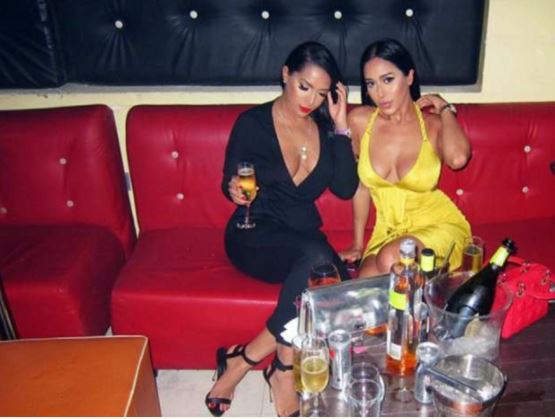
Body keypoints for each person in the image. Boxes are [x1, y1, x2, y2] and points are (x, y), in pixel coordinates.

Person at [205, 42, 358, 417]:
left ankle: (247, 359)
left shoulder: (325, 128)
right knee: (318, 265)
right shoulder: (252, 123)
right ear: (285, 74)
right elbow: (230, 180)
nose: (311, 100)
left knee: (329, 278)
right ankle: (279, 371)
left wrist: (341, 125)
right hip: (253, 231)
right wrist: (232, 189)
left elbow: (345, 188)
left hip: (302, 237)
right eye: (304, 86)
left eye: (321, 92)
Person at [339, 38, 471, 277]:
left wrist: (444, 108)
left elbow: (458, 159)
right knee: (365, 282)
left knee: (393, 257)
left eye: (388, 80)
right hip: (387, 232)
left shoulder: (432, 125)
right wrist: (358, 244)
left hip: (436, 228)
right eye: (371, 84)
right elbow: (362, 186)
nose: (379, 93)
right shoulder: (360, 121)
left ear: (409, 77)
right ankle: (427, 299)